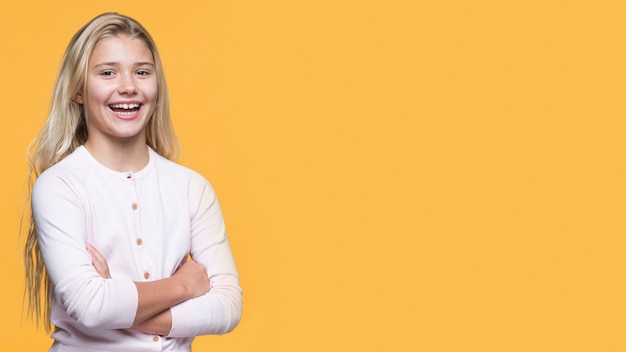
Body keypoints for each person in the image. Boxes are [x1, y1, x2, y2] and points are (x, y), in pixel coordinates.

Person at [23, 12, 242, 351]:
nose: (128, 86)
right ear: (78, 90)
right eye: (108, 72)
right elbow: (91, 306)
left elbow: (227, 307)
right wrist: (183, 286)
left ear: (157, 85)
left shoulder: (191, 188)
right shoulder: (59, 186)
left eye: (142, 72)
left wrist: (118, 296)